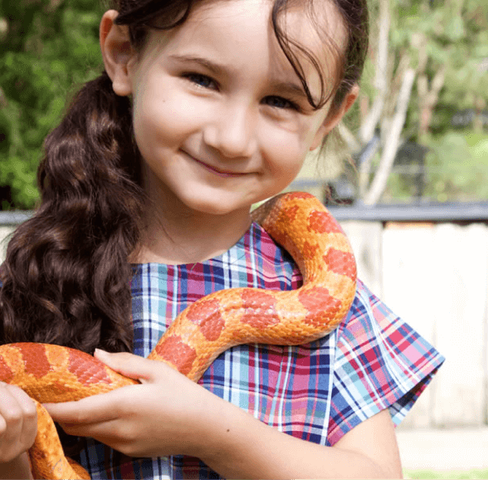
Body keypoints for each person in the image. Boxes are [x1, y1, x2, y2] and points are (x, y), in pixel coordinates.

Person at [0, 0, 444, 478]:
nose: (232, 138)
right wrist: (11, 452)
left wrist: (210, 432)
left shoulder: (325, 298)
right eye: (202, 79)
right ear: (124, 53)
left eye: (281, 101)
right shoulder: (42, 276)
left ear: (331, 116)